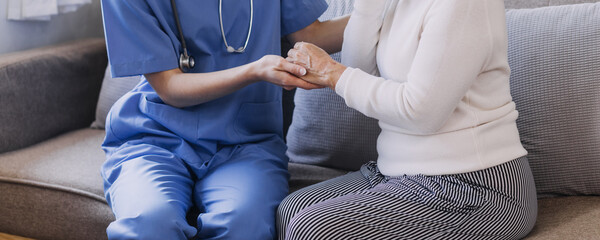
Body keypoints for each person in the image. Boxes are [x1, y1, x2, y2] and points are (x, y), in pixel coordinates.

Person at [278, 0, 538, 239]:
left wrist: (331, 73)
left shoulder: (465, 5)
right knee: (291, 209)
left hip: (476, 184)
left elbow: (422, 113)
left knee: (311, 228)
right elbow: (358, 71)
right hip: (398, 172)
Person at [99, 0, 348, 239]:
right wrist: (254, 71)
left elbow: (313, 35)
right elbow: (169, 86)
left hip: (247, 141)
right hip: (155, 137)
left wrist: (383, 13)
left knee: (243, 226)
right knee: (150, 223)